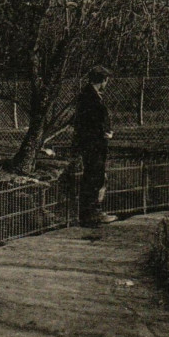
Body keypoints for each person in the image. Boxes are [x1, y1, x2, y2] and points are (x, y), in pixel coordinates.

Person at [72, 66, 117, 226]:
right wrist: (103, 133)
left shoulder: (89, 95)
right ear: (103, 80)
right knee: (93, 176)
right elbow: (89, 121)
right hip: (93, 143)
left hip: (94, 142)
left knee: (95, 176)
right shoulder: (89, 97)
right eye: (106, 80)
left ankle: (92, 211)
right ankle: (91, 213)